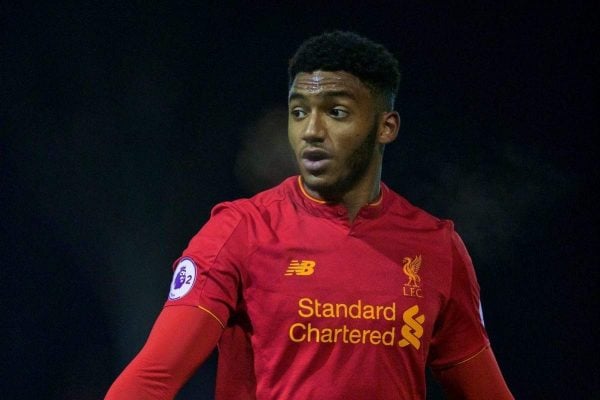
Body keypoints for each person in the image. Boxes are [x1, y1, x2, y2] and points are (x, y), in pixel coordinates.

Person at [105, 30, 513, 399]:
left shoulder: (436, 247)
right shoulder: (240, 232)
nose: (311, 131)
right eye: (299, 112)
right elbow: (151, 379)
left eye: (336, 112)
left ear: (386, 127)